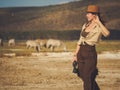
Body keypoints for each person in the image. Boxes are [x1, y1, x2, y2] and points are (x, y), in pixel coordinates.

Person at [72, 5, 110, 90]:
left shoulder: (100, 26)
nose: (87, 15)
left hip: (90, 52)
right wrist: (75, 55)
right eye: (87, 13)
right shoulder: (85, 25)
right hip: (81, 52)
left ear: (94, 15)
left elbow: (107, 34)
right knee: (81, 74)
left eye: (89, 14)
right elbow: (80, 40)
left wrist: (98, 22)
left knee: (87, 77)